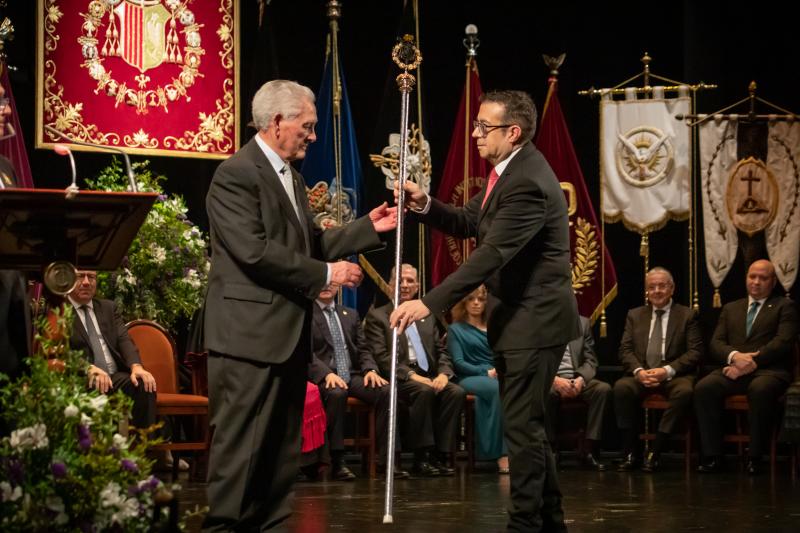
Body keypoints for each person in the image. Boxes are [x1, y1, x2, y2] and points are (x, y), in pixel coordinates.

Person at [202, 80, 396, 531]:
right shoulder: (236, 174)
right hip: (248, 338)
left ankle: (269, 525)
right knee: (240, 450)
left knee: (279, 451)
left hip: (287, 337)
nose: (312, 135)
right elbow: (254, 251)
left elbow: (310, 242)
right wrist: (327, 274)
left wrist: (368, 226)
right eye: (307, 126)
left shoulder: (290, 175)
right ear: (277, 122)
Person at [391, 90, 579, 532]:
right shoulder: (507, 172)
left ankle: (524, 524)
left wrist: (429, 301)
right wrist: (425, 204)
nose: (476, 134)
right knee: (528, 427)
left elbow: (490, 254)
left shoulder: (528, 182)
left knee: (523, 431)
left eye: (484, 127)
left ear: (513, 132)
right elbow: (468, 220)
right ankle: (549, 521)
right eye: (475, 125)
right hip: (519, 320)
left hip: (535, 320)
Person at [695, 259, 799, 475]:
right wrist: (735, 357)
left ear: (773, 281)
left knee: (760, 390)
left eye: (763, 278)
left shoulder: (784, 306)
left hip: (769, 371)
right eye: (752, 276)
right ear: (746, 278)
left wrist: (752, 362)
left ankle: (755, 456)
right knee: (705, 387)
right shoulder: (731, 308)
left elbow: (783, 342)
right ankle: (713, 456)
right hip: (734, 368)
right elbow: (716, 343)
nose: (756, 282)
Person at [364, 264, 466, 477]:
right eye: (399, 280)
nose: (404, 285)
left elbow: (442, 350)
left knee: (455, 392)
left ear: (418, 286)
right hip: (400, 377)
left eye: (410, 281)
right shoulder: (379, 316)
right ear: (390, 284)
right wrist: (413, 376)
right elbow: (382, 357)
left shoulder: (427, 315)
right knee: (423, 390)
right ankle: (421, 457)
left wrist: (443, 374)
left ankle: (441, 454)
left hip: (429, 374)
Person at [612, 267, 702, 473]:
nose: (657, 291)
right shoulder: (634, 315)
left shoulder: (687, 315)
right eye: (651, 287)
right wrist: (639, 372)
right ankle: (630, 452)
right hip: (643, 373)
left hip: (673, 374)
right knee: (621, 388)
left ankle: (656, 450)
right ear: (646, 291)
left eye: (662, 286)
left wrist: (667, 370)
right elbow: (625, 350)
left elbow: (695, 352)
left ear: (672, 289)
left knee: (685, 391)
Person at [308, 283, 393, 480]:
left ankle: (385, 460)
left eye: (331, 282)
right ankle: (337, 461)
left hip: (352, 374)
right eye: (322, 280)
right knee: (337, 393)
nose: (326, 286)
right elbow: (306, 352)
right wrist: (325, 373)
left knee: (385, 390)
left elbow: (363, 349)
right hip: (325, 376)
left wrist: (370, 369)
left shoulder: (350, 314)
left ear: (338, 286)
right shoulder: (305, 313)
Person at [67, 270, 157, 431]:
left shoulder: (108, 307)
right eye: (81, 276)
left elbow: (124, 340)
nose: (87, 282)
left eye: (92, 277)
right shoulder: (60, 310)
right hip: (82, 378)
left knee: (142, 383)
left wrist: (137, 366)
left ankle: (143, 449)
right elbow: (61, 351)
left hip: (114, 376)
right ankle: (95, 451)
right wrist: (87, 368)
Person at [446, 285, 508, 473]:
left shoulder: (492, 327)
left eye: (480, 300)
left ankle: (507, 450)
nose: (476, 303)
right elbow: (458, 362)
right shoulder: (456, 329)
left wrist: (498, 369)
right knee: (498, 389)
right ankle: (502, 454)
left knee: (509, 389)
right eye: (471, 299)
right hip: (468, 377)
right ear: (464, 303)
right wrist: (484, 371)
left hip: (493, 376)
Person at [547, 316, 612, 471]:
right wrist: (554, 380)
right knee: (546, 393)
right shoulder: (539, 320)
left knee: (602, 389)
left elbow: (591, 360)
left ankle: (589, 450)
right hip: (549, 378)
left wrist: (581, 379)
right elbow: (533, 360)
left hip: (576, 378)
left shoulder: (582, 323)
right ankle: (551, 450)